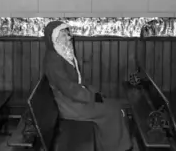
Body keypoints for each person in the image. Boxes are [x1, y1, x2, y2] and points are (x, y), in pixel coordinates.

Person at [43, 21, 133, 151]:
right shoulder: (53, 61)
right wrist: (92, 97)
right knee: (112, 111)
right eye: (63, 35)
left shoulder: (62, 54)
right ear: (54, 39)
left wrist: (94, 92)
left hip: (76, 99)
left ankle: (110, 146)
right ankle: (115, 147)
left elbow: (80, 80)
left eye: (67, 34)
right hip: (70, 105)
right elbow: (69, 89)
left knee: (112, 106)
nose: (68, 37)